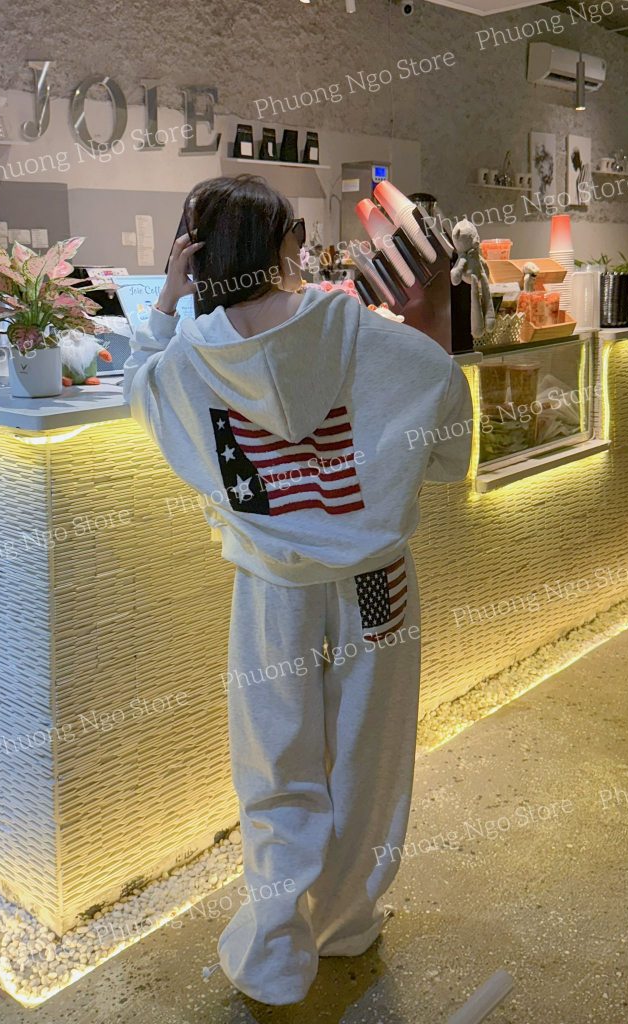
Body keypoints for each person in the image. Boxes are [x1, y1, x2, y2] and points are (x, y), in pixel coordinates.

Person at [123, 175, 472, 1005]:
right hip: (375, 582)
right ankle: (345, 922)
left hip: (272, 586)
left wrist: (167, 301)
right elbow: (445, 431)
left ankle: (277, 952)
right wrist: (431, 318)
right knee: (369, 753)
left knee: (274, 757)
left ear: (199, 255)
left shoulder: (194, 355)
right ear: (289, 244)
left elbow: (139, 393)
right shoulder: (360, 330)